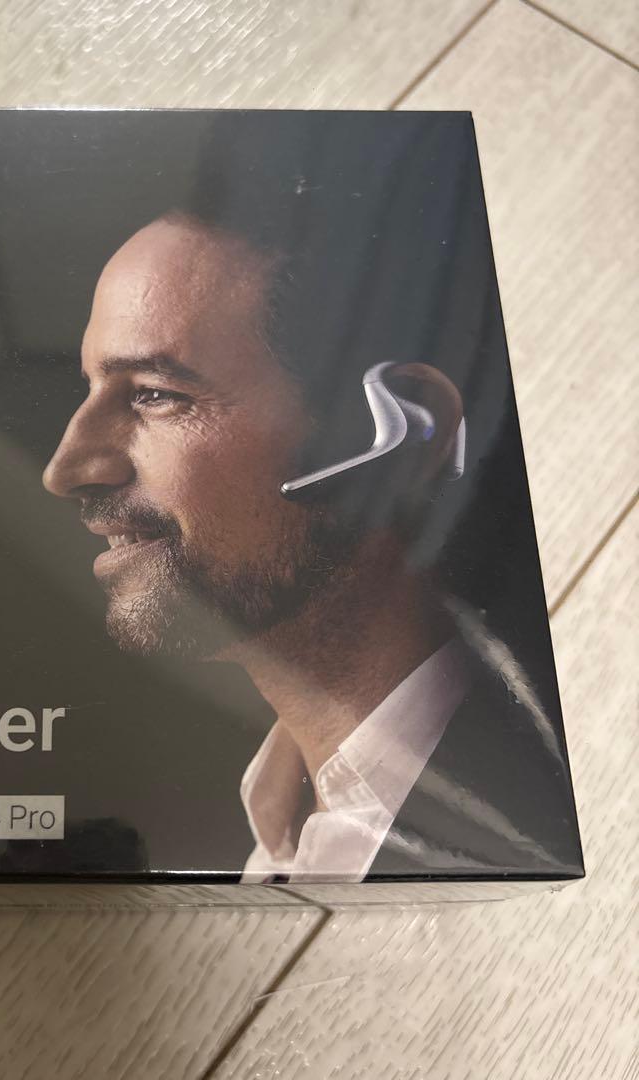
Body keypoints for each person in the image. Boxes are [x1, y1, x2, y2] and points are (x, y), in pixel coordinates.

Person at [42, 211, 578, 883]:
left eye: (154, 393)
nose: (64, 470)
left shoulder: (525, 812)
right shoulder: (275, 835)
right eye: (91, 389)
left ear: (404, 432)